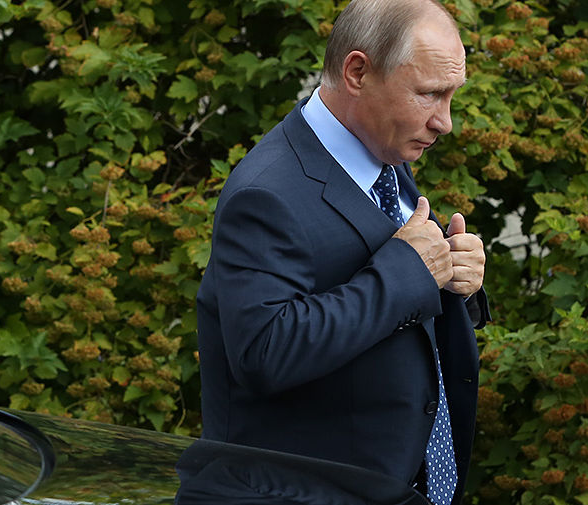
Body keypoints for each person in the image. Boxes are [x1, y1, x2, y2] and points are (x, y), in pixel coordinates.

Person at [194, 0, 490, 503]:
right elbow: (264, 352)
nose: (445, 122)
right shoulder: (265, 193)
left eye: (451, 97)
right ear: (357, 72)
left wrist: (454, 276)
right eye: (429, 94)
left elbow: (395, 298)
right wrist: (408, 273)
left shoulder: (382, 154)